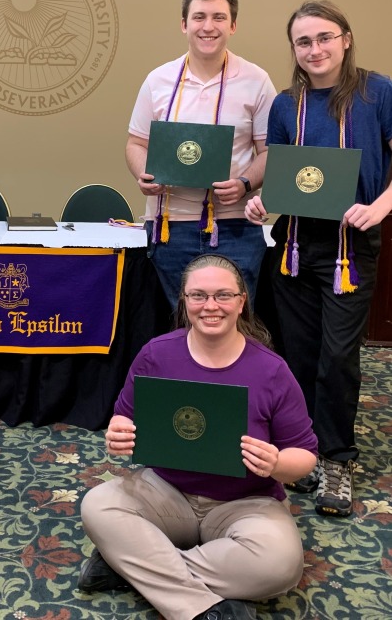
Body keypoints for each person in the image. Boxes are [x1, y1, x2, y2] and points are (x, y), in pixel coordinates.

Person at [78, 254, 318, 620]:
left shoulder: (272, 370)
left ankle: (129, 567)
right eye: (198, 296)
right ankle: (192, 599)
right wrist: (118, 434)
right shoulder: (156, 355)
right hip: (166, 492)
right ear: (184, 301)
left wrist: (276, 463)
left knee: (280, 565)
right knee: (98, 504)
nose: (210, 306)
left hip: (246, 502)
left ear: (241, 302)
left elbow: (305, 457)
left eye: (223, 295)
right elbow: (124, 417)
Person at [245, 1, 392, 518]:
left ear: (346, 39)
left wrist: (380, 207)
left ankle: (337, 458)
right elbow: (282, 176)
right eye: (303, 42)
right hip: (294, 248)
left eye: (325, 37)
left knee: (336, 360)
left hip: (350, 250)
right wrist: (261, 202)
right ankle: (301, 453)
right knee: (299, 358)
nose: (315, 49)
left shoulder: (378, 93)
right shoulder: (287, 106)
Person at [126, 0, 276, 310]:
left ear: (233, 25)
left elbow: (270, 152)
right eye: (199, 17)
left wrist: (245, 183)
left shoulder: (257, 80)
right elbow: (136, 143)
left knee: (235, 324)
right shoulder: (158, 80)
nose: (208, 27)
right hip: (170, 226)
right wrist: (144, 175)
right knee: (179, 325)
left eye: (219, 17)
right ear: (184, 24)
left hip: (235, 226)